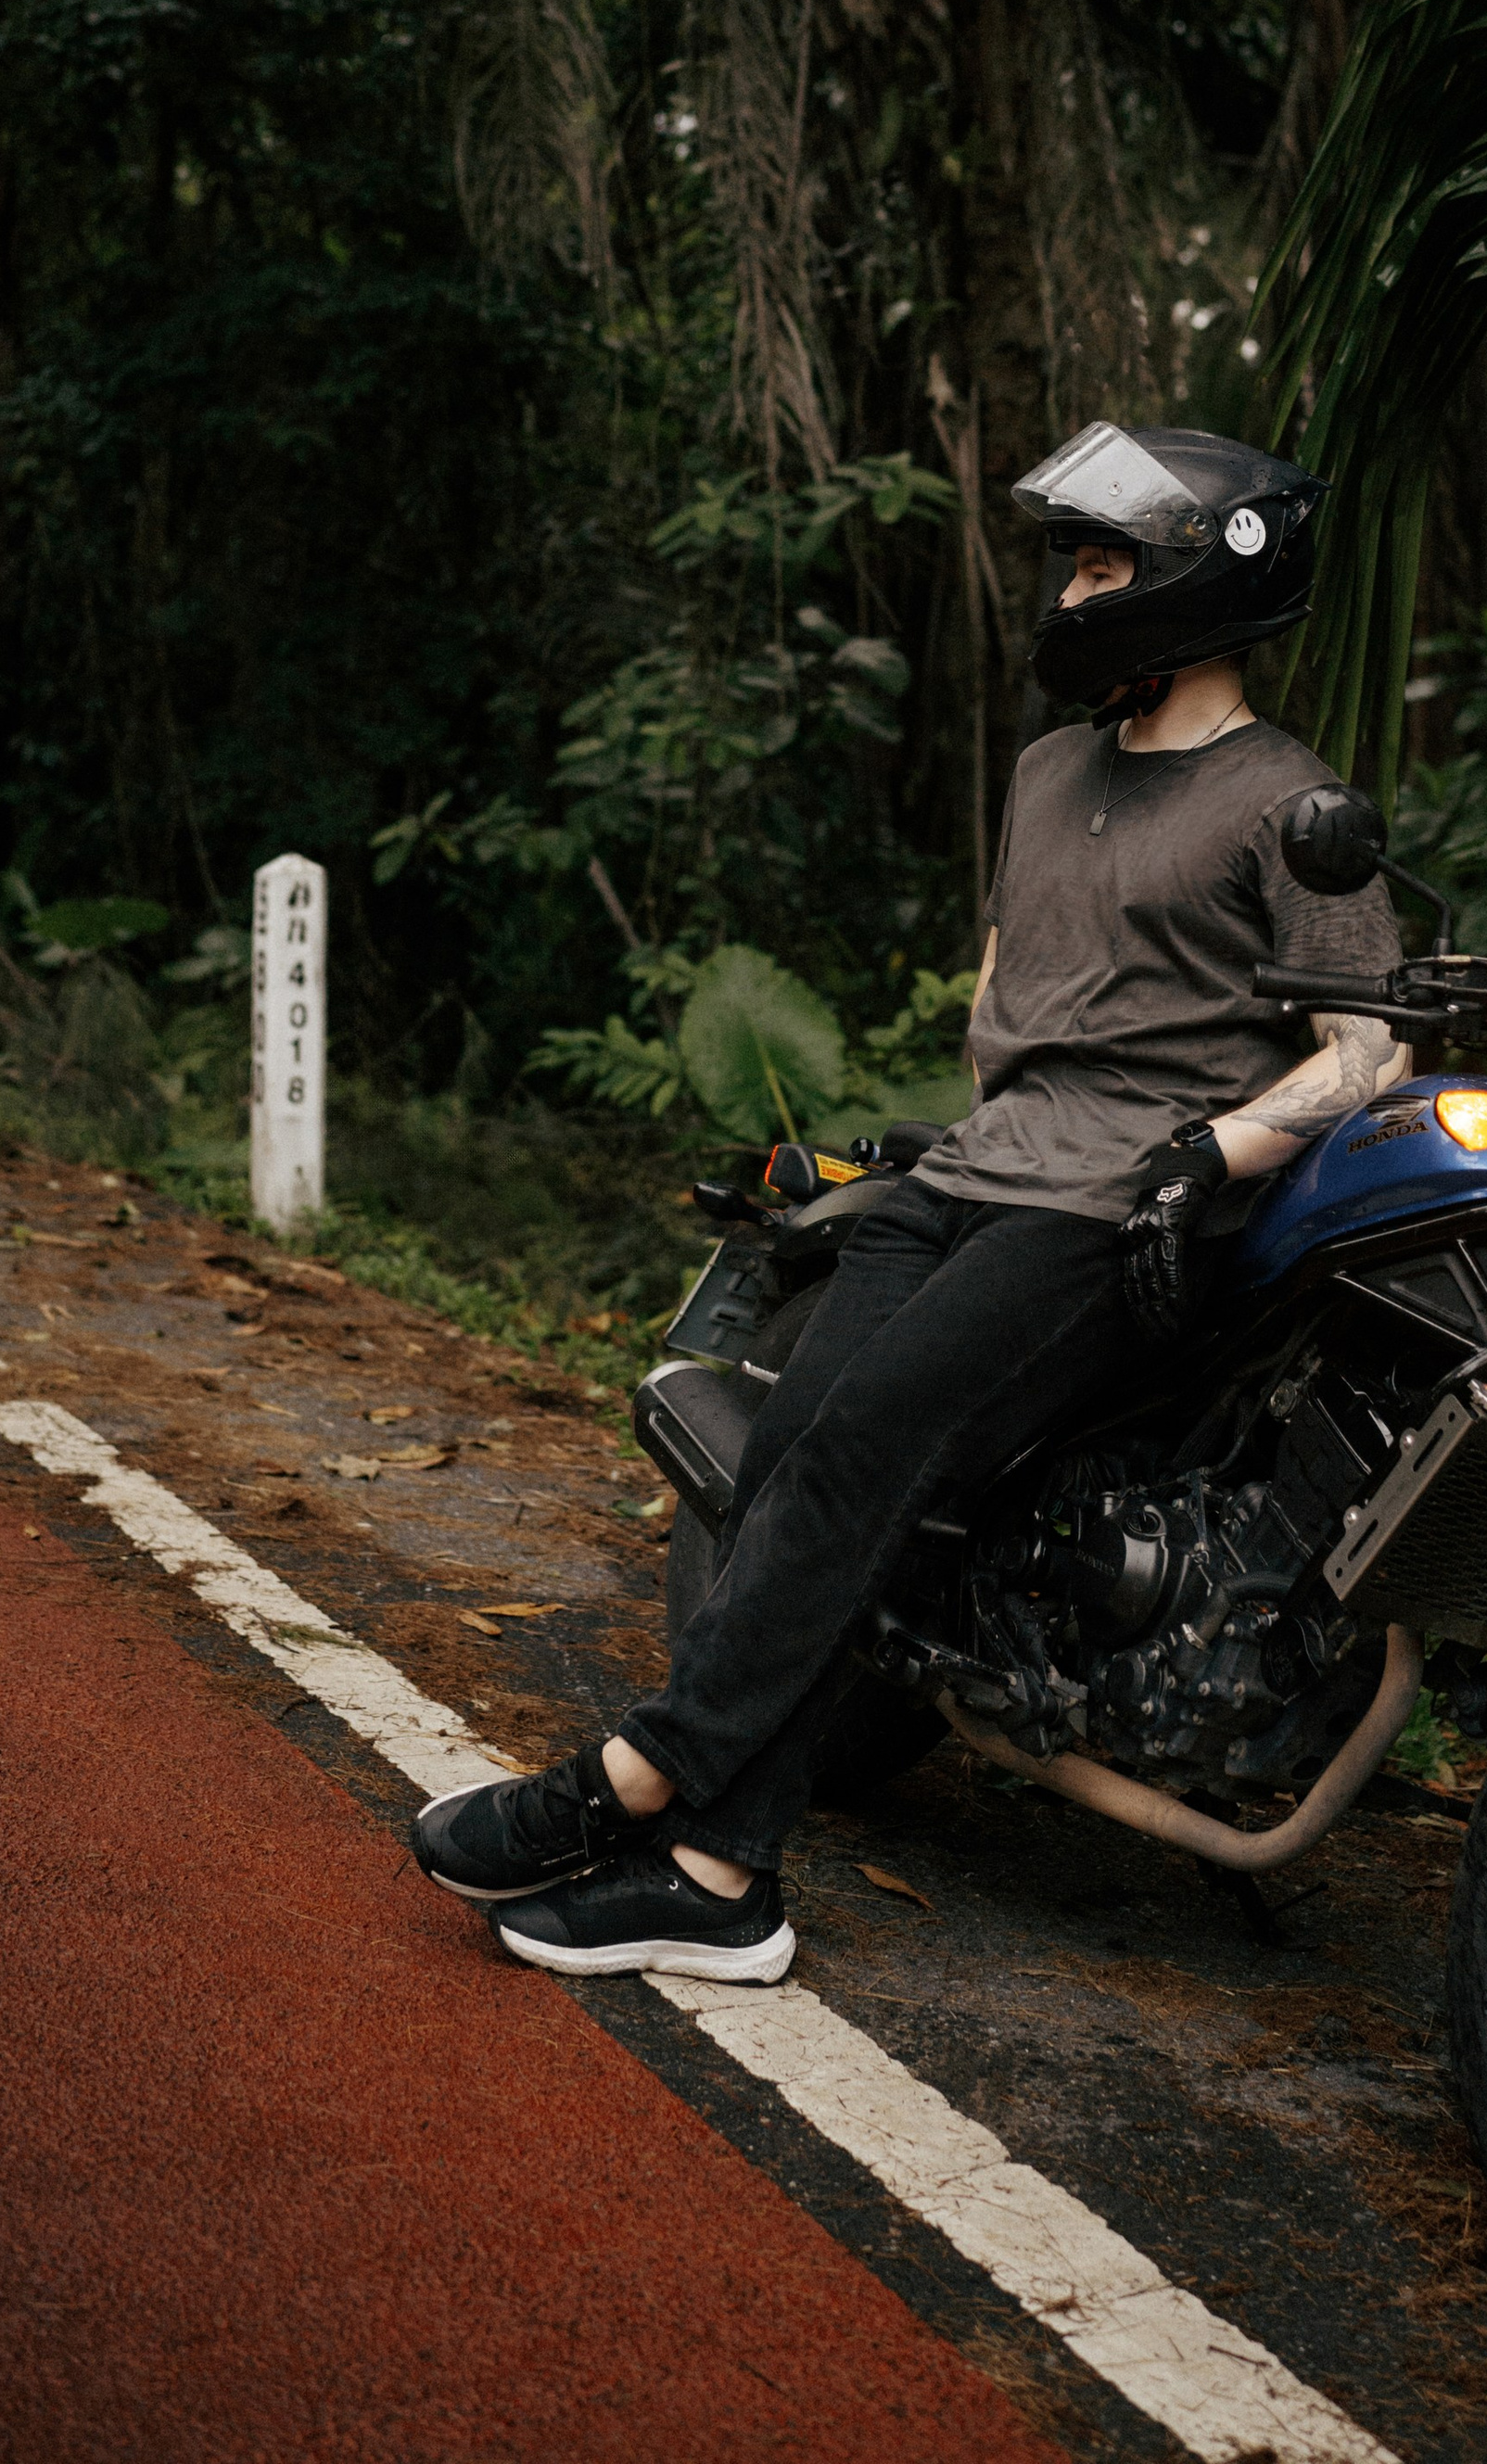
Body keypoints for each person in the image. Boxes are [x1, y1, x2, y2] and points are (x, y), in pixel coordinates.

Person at [407, 422, 1406, 1981]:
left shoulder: (1290, 803)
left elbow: (1364, 1052)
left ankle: (632, 1782)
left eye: (1102, 565)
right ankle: (718, 1877)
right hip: (975, 1165)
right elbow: (1006, 995)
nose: (1072, 595)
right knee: (799, 1450)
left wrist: (1215, 1148)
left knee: (868, 1448)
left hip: (1112, 1212)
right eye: (1074, 564)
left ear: (1200, 582)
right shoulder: (1045, 769)